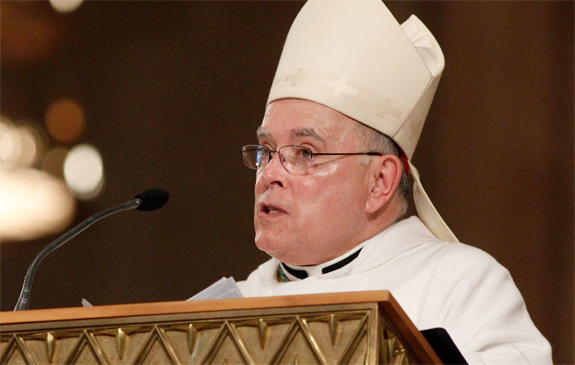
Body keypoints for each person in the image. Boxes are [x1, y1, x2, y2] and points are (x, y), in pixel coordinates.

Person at [237, 0, 552, 363]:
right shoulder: (225, 309)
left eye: (306, 153)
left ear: (380, 181)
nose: (270, 174)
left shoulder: (462, 289)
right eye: (267, 150)